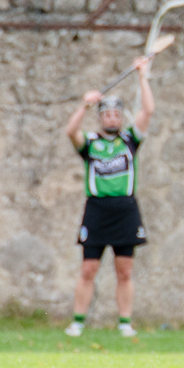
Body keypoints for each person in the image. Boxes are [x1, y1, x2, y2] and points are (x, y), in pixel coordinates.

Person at [63, 55, 155, 338]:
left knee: (124, 269)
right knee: (89, 267)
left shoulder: (129, 140)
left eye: (116, 114)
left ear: (121, 117)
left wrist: (142, 75)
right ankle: (78, 321)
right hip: (97, 209)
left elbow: (148, 110)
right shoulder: (90, 144)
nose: (112, 118)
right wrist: (84, 104)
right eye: (107, 114)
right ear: (100, 117)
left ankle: (125, 323)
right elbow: (70, 131)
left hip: (126, 209)